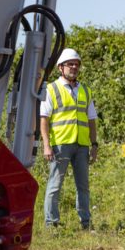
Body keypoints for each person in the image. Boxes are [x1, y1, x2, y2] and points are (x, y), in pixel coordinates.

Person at [39, 47, 99, 229]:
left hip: (81, 145)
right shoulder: (51, 89)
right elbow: (44, 119)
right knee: (55, 185)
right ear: (60, 68)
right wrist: (46, 145)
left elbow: (91, 120)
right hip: (60, 145)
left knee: (83, 186)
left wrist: (94, 144)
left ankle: (85, 222)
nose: (74, 67)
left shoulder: (85, 91)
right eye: (70, 64)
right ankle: (51, 223)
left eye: (76, 64)